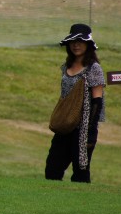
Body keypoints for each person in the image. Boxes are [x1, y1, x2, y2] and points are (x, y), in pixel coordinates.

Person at [45, 23, 105, 183]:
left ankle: (82, 203)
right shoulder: (66, 67)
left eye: (80, 41)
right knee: (52, 168)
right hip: (65, 125)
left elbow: (97, 101)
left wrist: (90, 132)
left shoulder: (94, 68)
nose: (76, 45)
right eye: (73, 41)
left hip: (84, 128)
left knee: (80, 170)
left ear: (88, 44)